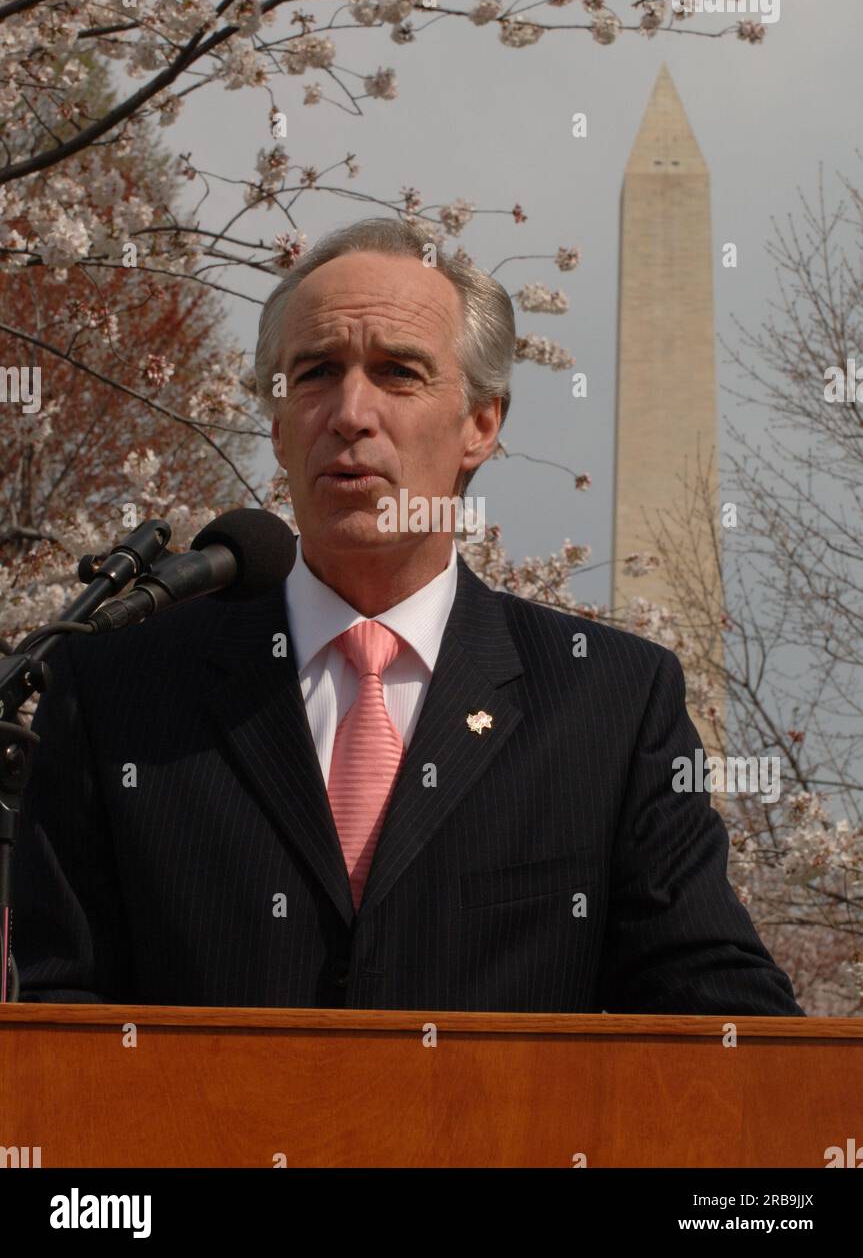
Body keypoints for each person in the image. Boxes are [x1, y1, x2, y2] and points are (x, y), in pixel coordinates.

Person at [13, 217, 804, 1014]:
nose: (350, 413)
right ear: (278, 422)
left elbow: (715, 1009)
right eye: (316, 372)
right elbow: (55, 1014)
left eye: (397, 373)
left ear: (479, 425)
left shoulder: (609, 704)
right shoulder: (118, 689)